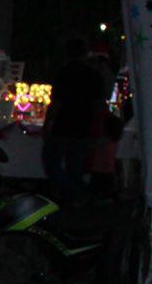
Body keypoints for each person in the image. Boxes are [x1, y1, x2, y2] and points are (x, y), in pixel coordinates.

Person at [42, 38, 107, 201]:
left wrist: (47, 123)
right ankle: (73, 195)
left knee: (53, 160)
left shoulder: (63, 73)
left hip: (63, 124)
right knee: (76, 164)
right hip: (82, 125)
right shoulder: (94, 75)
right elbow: (99, 105)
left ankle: (60, 191)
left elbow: (56, 102)